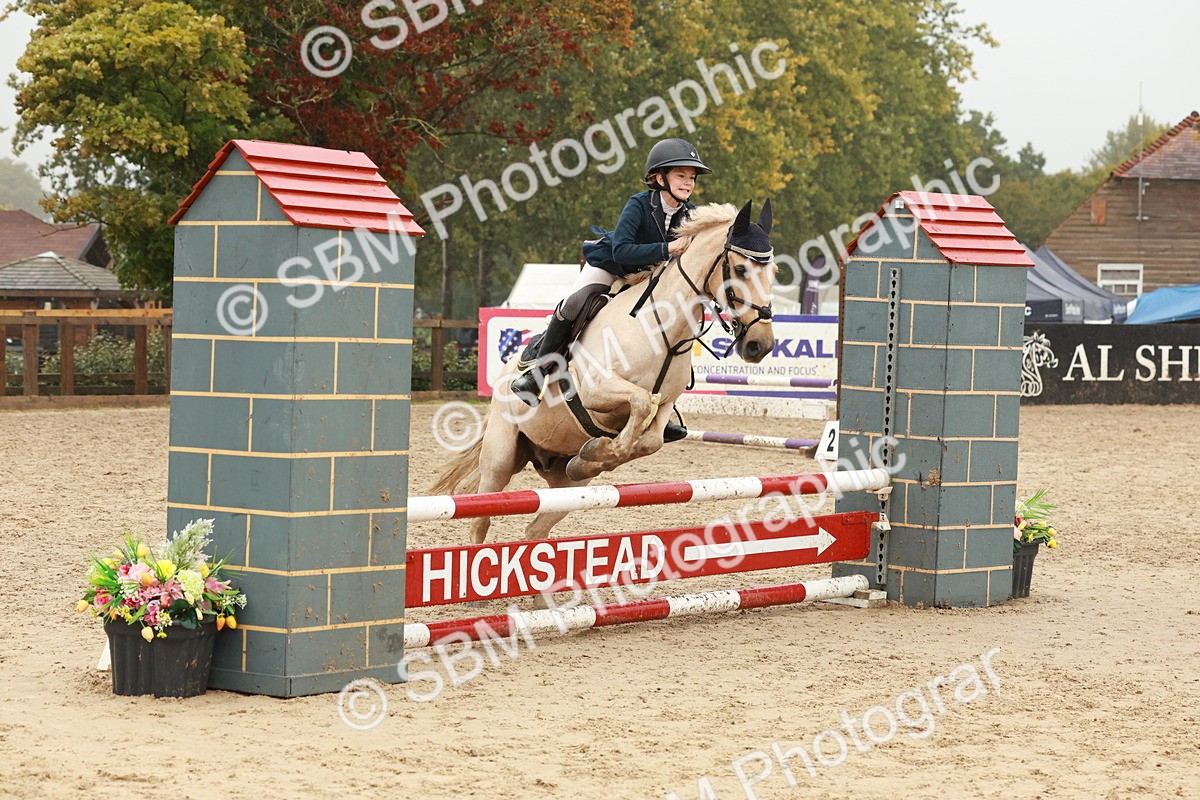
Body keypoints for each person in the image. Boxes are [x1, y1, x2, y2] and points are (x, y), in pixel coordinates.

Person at [509, 138, 712, 443]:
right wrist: (667, 247)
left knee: (675, 322)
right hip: (613, 265)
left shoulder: (692, 215)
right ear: (660, 178)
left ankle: (663, 409)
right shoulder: (639, 204)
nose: (688, 182)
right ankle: (538, 371)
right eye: (681, 175)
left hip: (649, 278)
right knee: (574, 303)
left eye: (692, 178)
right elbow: (622, 250)